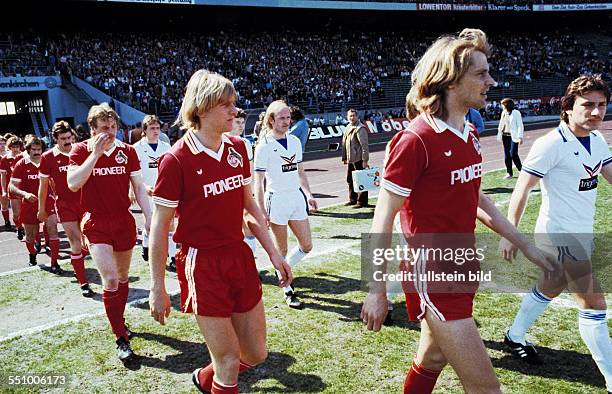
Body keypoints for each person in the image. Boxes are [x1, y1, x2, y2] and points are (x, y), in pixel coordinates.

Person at [360, 28, 556, 394]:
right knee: (486, 388)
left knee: (431, 359)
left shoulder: (467, 132)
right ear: (450, 81)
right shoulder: (415, 139)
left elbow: (478, 200)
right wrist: (376, 288)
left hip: (463, 262)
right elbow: (382, 217)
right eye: (480, 74)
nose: (491, 81)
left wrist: (524, 244)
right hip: (432, 272)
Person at [148, 70, 292, 394]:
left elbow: (249, 208)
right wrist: (157, 286)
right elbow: (159, 229)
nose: (234, 111)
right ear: (202, 108)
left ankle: (203, 379)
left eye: (234, 103)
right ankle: (217, 379)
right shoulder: (175, 160)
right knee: (228, 360)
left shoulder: (238, 148)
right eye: (226, 104)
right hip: (202, 263)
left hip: (239, 256)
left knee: (255, 354)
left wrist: (275, 253)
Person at [500, 75, 612, 392]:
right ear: (568, 107)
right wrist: (510, 233)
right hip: (557, 235)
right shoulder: (550, 145)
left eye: (602, 105)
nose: (596, 112)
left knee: (551, 286)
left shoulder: (598, 140)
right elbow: (521, 190)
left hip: (582, 232)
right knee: (594, 304)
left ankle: (515, 335)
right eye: (588, 105)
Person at [67, 103, 152, 362]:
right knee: (111, 279)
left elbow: (138, 187)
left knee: (123, 276)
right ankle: (120, 337)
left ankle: (119, 318)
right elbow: (72, 184)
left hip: (123, 221)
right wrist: (94, 155)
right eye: (104, 128)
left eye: (113, 126)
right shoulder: (80, 150)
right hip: (96, 223)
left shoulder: (127, 152)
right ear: (92, 129)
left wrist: (150, 217)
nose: (110, 132)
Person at [254, 100, 317, 310]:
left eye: (288, 117)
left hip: (296, 199)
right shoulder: (264, 146)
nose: (286, 121)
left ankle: (283, 269)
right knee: (281, 249)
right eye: (281, 118)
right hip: (277, 200)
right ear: (271, 120)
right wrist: (261, 210)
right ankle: (288, 289)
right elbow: (259, 181)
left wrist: (308, 194)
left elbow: (300, 171)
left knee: (307, 245)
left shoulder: (294, 142)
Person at [39, 121, 93, 296]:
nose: (68, 141)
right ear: (55, 139)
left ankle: (77, 263)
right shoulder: (48, 157)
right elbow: (43, 185)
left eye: (69, 137)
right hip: (65, 205)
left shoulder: (81, 151)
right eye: (63, 139)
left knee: (89, 242)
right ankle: (84, 283)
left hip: (86, 203)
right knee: (75, 242)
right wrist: (41, 208)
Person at [9, 137, 62, 271]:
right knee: (31, 236)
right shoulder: (21, 164)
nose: (37, 152)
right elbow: (12, 186)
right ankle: (32, 255)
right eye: (34, 149)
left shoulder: (48, 161)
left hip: (48, 202)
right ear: (28, 150)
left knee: (53, 230)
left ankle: (54, 263)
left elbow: (55, 181)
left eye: (39, 149)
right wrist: (25, 194)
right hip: (29, 204)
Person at [133, 115, 176, 270]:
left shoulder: (166, 147)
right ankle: (146, 243)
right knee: (151, 224)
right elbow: (134, 174)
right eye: (152, 128)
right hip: (146, 191)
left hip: (164, 191)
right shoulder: (136, 148)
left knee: (170, 225)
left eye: (157, 128)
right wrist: (141, 188)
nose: (156, 131)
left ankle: (173, 257)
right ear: (145, 130)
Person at [227, 108, 257, 255]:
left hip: (242, 194)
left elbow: (249, 171)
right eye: (237, 122)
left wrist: (251, 195)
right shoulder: (218, 142)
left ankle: (250, 263)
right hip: (224, 195)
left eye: (242, 123)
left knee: (250, 228)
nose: (241, 126)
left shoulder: (245, 143)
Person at [342, 109, 371, 208]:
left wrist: (365, 160)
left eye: (353, 116)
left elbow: (364, 146)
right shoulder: (348, 127)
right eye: (350, 116)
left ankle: (362, 202)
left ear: (357, 117)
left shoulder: (360, 128)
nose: (352, 118)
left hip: (359, 159)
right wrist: (345, 158)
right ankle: (353, 199)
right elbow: (345, 144)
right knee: (350, 180)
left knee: (361, 180)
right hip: (351, 159)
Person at [1, 136, 24, 237]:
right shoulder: (5, 159)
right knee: (16, 214)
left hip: (25, 188)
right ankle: (18, 226)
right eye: (13, 147)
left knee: (27, 212)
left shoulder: (25, 157)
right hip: (13, 189)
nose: (15, 149)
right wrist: (4, 191)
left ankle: (26, 229)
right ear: (9, 147)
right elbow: (3, 177)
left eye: (17, 146)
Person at [497, 98, 524, 179]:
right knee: (507, 155)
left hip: (513, 136)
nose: (501, 106)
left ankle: (521, 170)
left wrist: (520, 137)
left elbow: (520, 125)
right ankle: (509, 173)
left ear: (506, 105)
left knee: (513, 154)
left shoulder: (516, 113)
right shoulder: (504, 113)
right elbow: (501, 124)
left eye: (502, 105)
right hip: (505, 136)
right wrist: (499, 134)